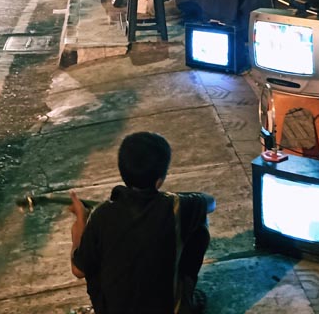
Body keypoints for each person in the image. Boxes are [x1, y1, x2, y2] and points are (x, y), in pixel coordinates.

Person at [68, 131, 216, 314]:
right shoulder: (178, 207)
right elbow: (210, 203)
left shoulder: (102, 214)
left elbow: (78, 270)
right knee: (199, 221)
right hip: (169, 309)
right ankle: (184, 299)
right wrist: (175, 199)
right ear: (159, 181)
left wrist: (81, 222)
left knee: (91, 248)